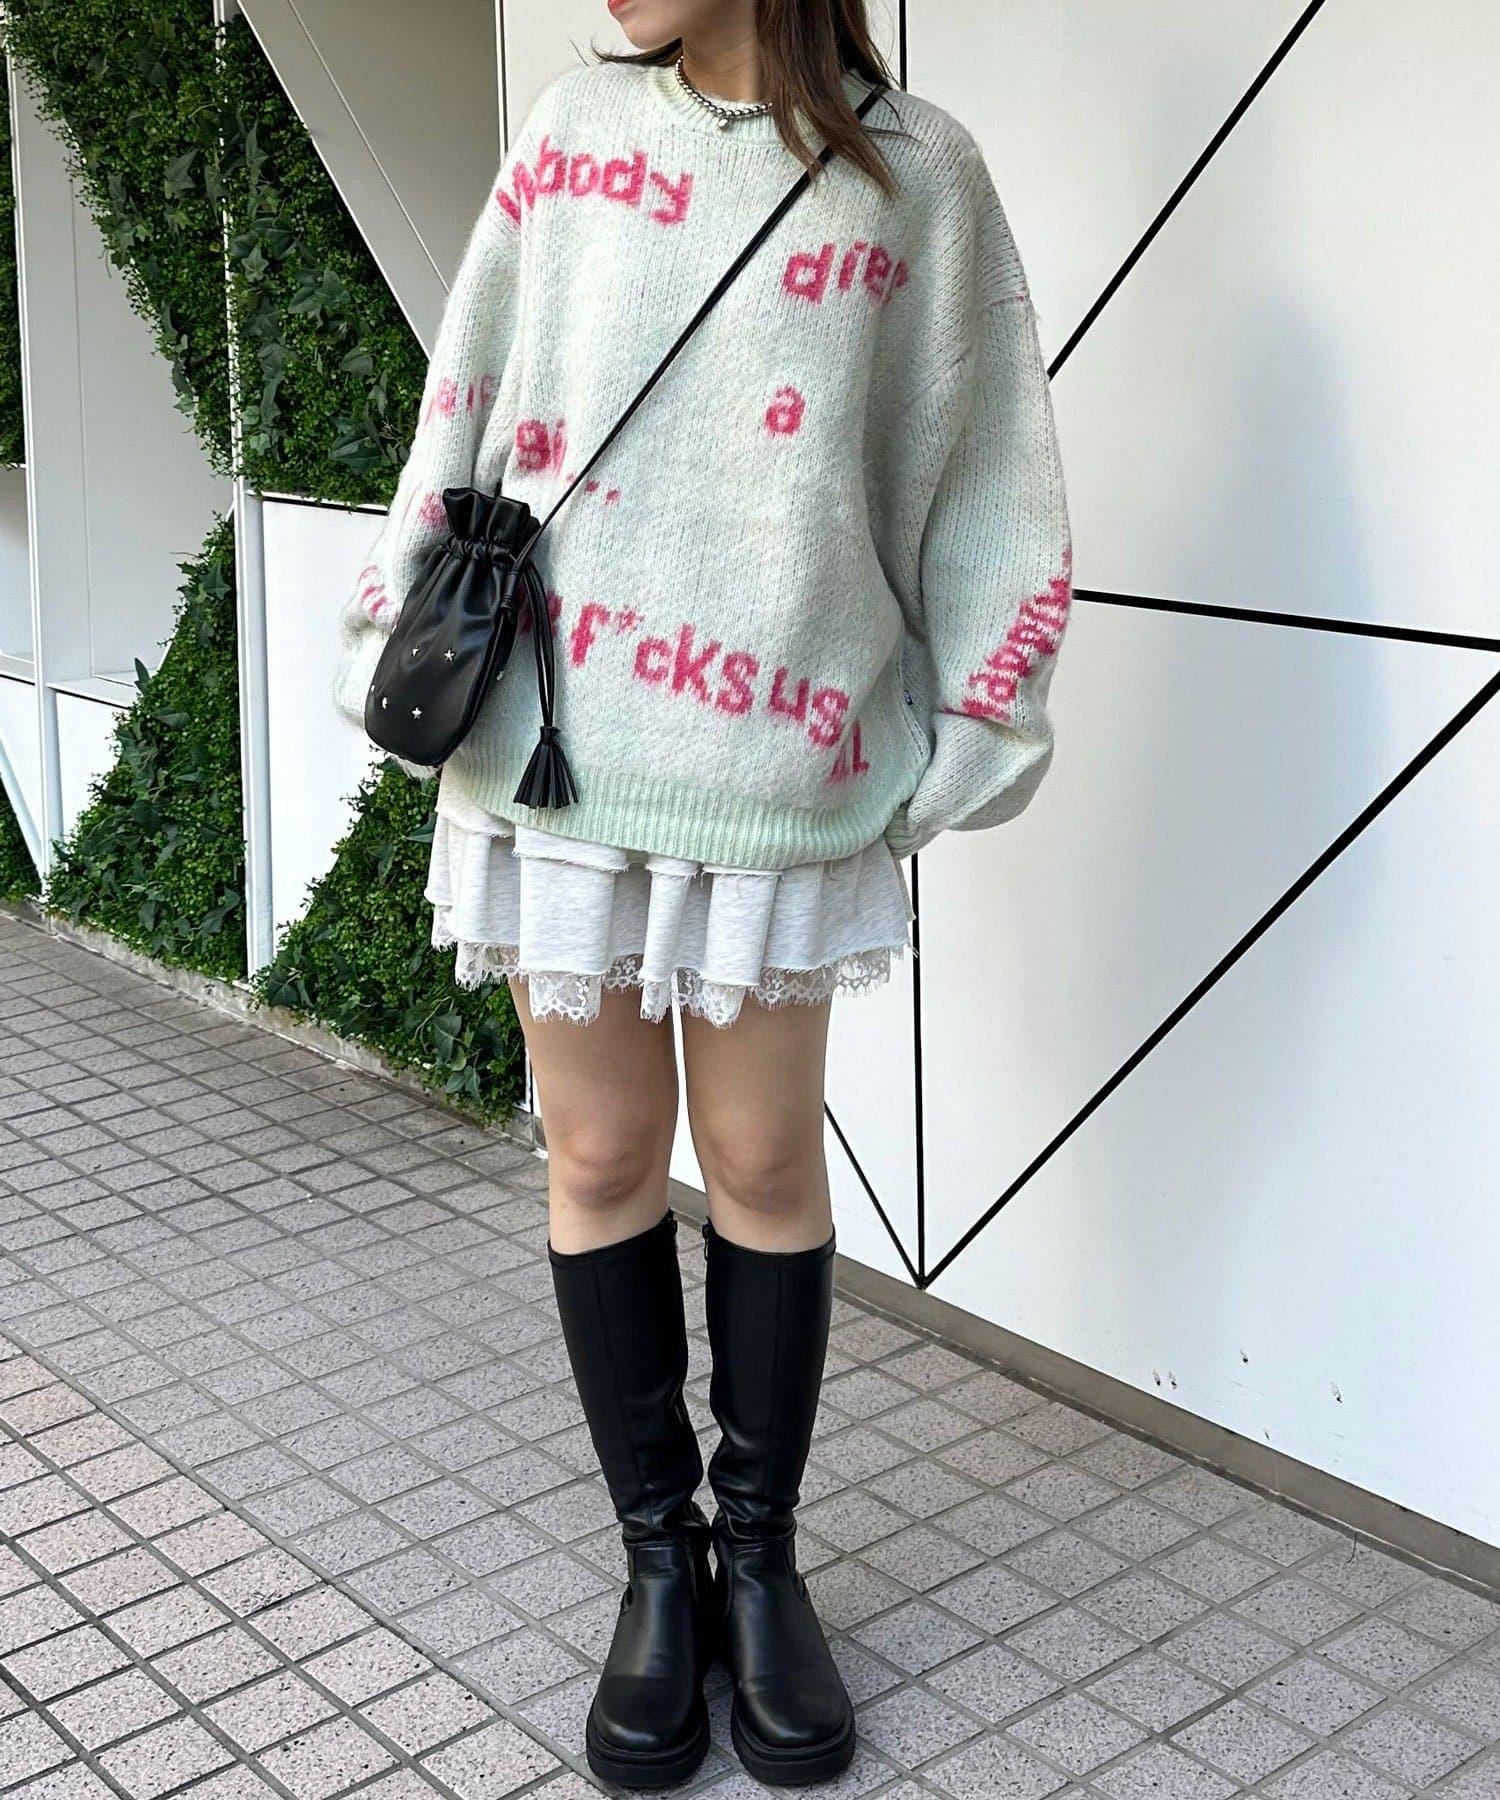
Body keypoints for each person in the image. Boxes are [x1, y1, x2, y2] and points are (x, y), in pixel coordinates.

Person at [333, 0, 1072, 1785]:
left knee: (759, 1164)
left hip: (774, 769)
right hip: (559, 753)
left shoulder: (921, 177)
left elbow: (982, 467)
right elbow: (468, 396)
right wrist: (392, 625)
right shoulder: (571, 138)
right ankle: (657, 1568)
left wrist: (977, 723)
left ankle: (763, 1565)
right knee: (598, 1160)